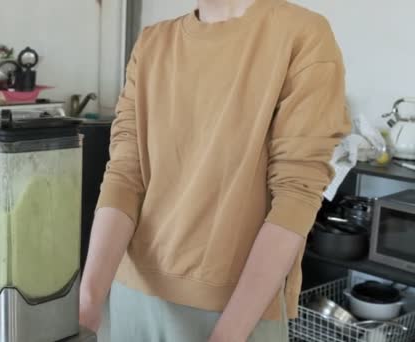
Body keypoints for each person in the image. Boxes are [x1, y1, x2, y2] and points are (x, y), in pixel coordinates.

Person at [79, 0, 351, 341]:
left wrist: (227, 336)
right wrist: (86, 306)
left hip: (237, 314)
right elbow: (123, 175)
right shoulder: (152, 43)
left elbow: (296, 195)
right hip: (132, 299)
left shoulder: (301, 34)